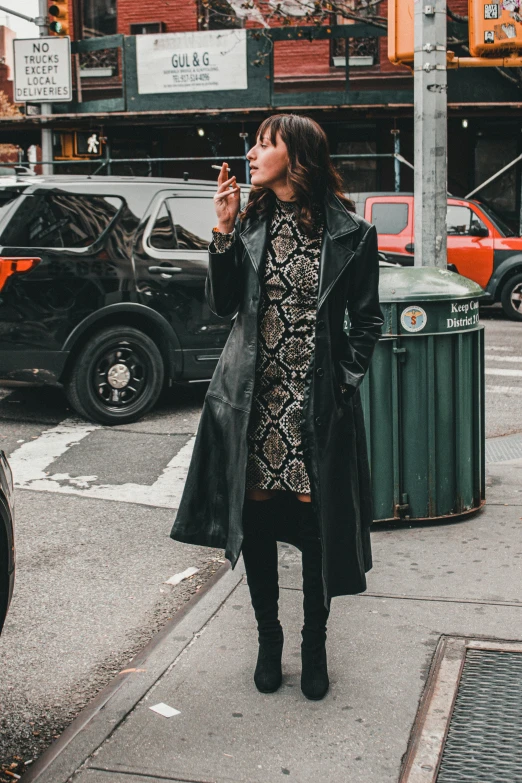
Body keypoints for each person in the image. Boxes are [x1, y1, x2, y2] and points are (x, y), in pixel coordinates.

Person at [170, 113, 383, 701]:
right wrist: (221, 228)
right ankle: (269, 641)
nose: (253, 153)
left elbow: (367, 323)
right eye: (255, 143)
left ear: (298, 156)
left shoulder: (351, 234)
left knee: (317, 533)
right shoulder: (250, 222)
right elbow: (222, 305)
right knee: (258, 525)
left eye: (266, 144)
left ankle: (314, 647)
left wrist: (342, 384)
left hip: (313, 407)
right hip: (254, 402)